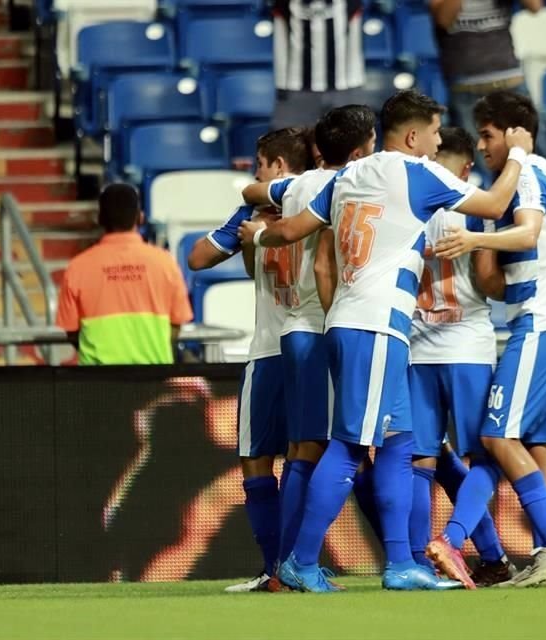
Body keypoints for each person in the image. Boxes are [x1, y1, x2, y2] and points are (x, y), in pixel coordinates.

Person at [237, 89, 534, 592]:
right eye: (435, 133)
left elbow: (290, 230)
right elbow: (497, 202)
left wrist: (257, 237)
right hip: (376, 323)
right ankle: (300, 562)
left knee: (398, 444)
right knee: (352, 447)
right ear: (413, 135)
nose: (439, 142)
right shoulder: (416, 172)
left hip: (361, 321)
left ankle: (402, 563)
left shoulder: (350, 176)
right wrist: (521, 153)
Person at [425, 90, 546, 589]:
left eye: (489, 134)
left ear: (515, 134)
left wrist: (477, 238)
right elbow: (497, 283)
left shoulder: (530, 171)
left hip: (544, 320)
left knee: (496, 436)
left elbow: (529, 234)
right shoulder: (506, 187)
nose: (481, 144)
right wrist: (481, 251)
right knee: (537, 445)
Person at [240, 105, 378, 586]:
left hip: (290, 329)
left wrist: (257, 224)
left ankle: (282, 567)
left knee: (303, 447)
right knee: (315, 449)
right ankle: (298, 563)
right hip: (322, 327)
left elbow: (253, 191)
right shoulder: (352, 187)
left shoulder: (296, 186)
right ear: (360, 151)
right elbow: (326, 266)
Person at [187, 127, 311, 592]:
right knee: (311, 458)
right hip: (316, 348)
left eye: (260, 163)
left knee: (259, 459)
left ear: (278, 166)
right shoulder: (326, 198)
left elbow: (198, 258)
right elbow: (200, 259)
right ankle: (298, 567)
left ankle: (278, 569)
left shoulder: (257, 210)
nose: (253, 173)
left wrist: (246, 234)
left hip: (273, 349)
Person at [407, 126, 515, 586]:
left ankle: (418, 564)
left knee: (418, 462)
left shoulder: (409, 204)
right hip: (468, 344)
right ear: (466, 166)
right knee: (486, 456)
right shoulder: (476, 207)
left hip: (416, 345)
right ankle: (453, 541)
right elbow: (490, 283)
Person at [56, 183, 192, 365]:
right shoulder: (165, 263)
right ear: (140, 217)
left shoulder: (77, 267)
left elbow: (71, 331)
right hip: (154, 380)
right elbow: (177, 323)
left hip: (95, 384)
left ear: (99, 218)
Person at [429, 0, 544, 174]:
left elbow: (535, 6)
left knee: (533, 161)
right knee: (479, 167)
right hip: (467, 91)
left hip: (510, 83)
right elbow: (444, 19)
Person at [270, 0, 367, 129]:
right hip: (296, 89)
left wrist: (356, 85)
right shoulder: (285, 4)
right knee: (289, 144)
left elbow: (356, 39)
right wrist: (281, 85)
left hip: (345, 87)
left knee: (352, 143)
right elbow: (280, 40)